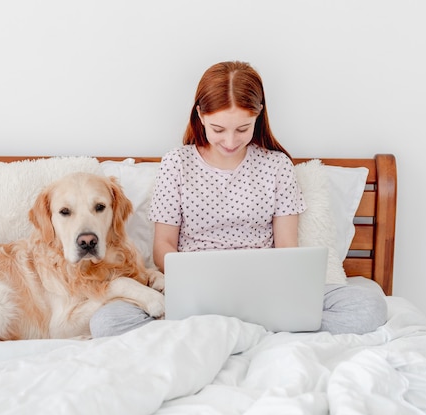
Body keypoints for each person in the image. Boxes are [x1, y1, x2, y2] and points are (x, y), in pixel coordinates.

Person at [90, 61, 387, 337]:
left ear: (258, 116)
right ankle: (255, 330)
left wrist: (275, 291)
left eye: (243, 129)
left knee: (370, 306)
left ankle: (227, 331)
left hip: (265, 289)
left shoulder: (277, 166)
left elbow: (286, 248)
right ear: (200, 115)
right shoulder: (176, 164)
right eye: (219, 129)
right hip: (195, 291)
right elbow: (163, 248)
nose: (230, 142)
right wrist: (199, 280)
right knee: (107, 321)